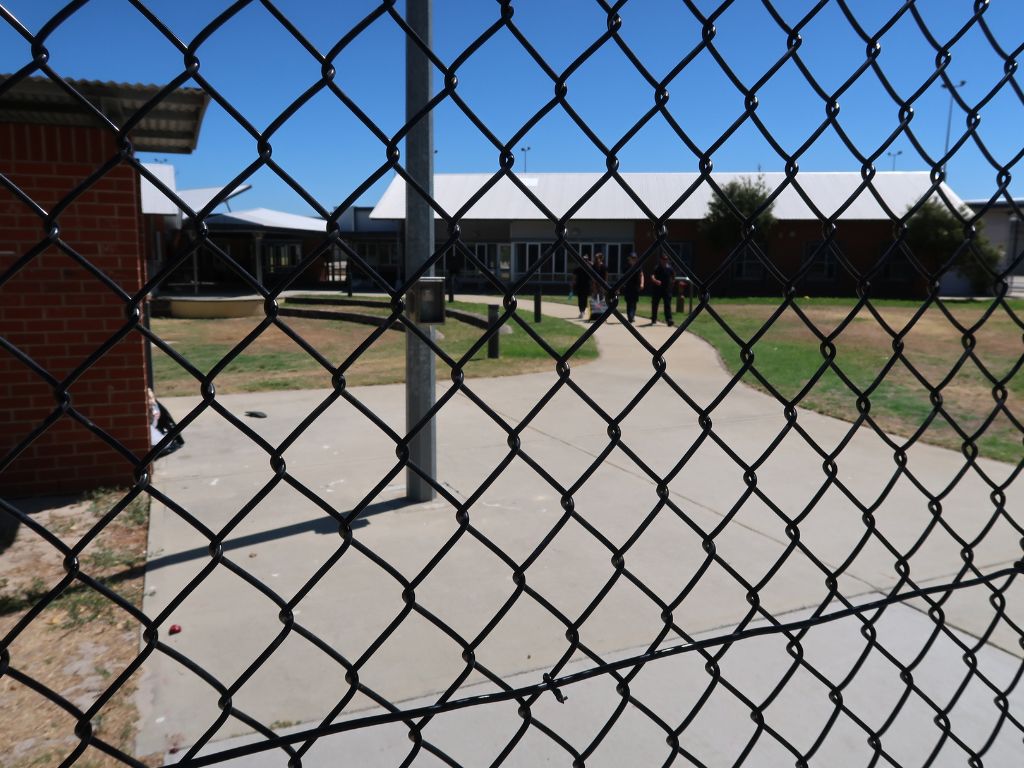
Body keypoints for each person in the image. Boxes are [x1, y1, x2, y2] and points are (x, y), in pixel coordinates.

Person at [650, 251, 675, 326]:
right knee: (655, 304)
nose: (665, 260)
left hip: (667, 290)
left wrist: (672, 283)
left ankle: (669, 320)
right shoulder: (657, 268)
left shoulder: (670, 268)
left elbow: (673, 276)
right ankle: (654, 319)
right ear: (660, 260)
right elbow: (652, 276)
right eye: (663, 259)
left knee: (667, 305)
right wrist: (655, 280)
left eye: (666, 259)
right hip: (657, 289)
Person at [623, 252, 644, 323]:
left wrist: (642, 283)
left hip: (636, 287)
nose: (633, 259)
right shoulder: (626, 267)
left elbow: (641, 275)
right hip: (628, 287)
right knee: (629, 302)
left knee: (634, 302)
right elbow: (624, 278)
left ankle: (632, 315)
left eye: (635, 258)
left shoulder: (638, 266)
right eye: (632, 258)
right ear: (629, 259)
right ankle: (630, 316)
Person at [571, 255, 592, 320]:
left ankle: (583, 310)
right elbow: (574, 277)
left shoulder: (589, 269)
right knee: (580, 298)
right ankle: (581, 311)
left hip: (586, 286)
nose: (585, 261)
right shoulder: (578, 269)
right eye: (584, 260)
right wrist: (573, 283)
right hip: (579, 286)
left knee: (585, 298)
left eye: (586, 260)